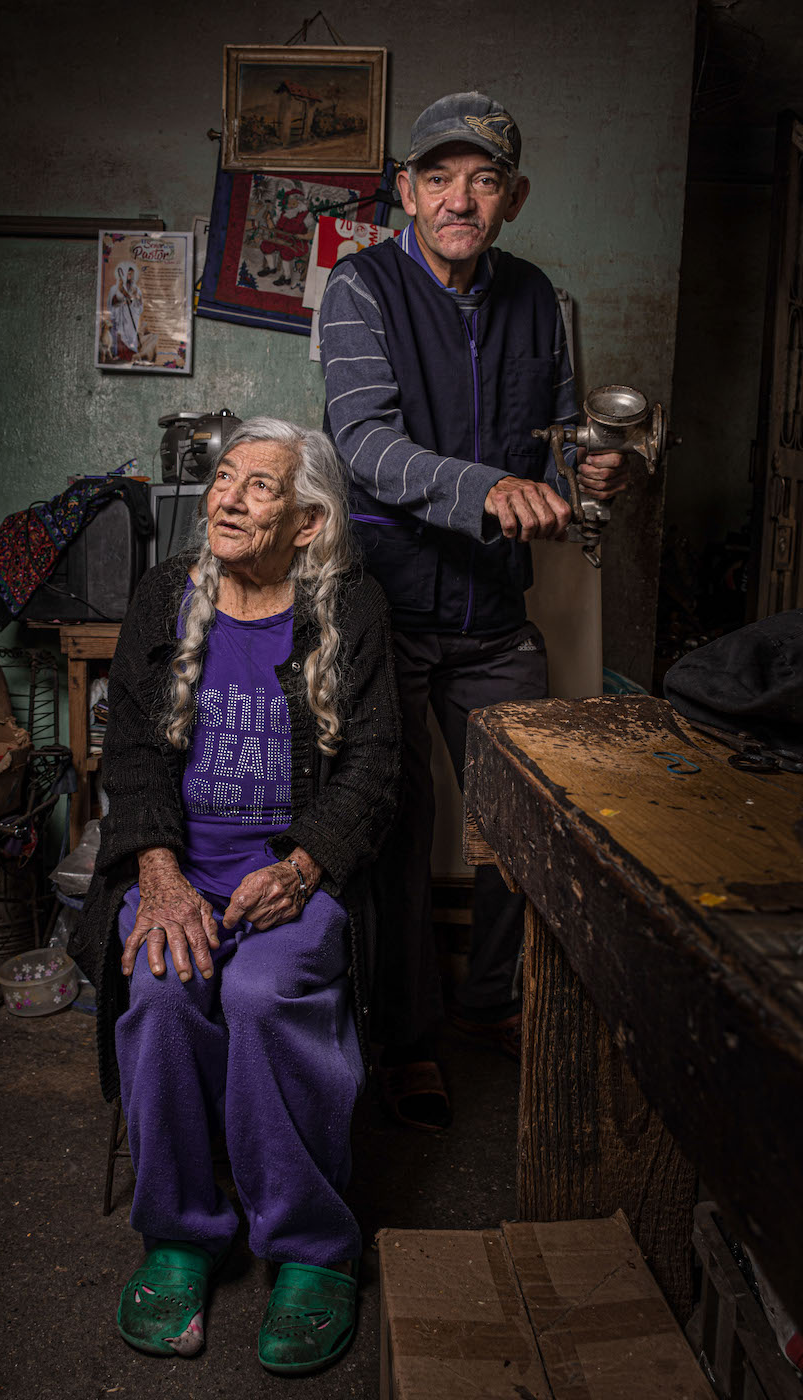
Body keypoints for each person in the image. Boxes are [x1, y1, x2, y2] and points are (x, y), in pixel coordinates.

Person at [317, 91, 628, 1132]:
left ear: (513, 198)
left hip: (495, 613)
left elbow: (559, 444)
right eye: (439, 178)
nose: (460, 199)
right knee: (398, 833)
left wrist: (591, 473)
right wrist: (489, 489)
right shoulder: (359, 286)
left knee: (522, 827)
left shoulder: (539, 299)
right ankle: (407, 1038)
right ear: (406, 191)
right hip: (390, 610)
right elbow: (364, 443)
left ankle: (490, 1000)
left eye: (483, 181)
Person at [69, 417, 400, 1374]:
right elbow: (133, 751)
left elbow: (377, 763)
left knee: (261, 993)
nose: (227, 497)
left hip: (292, 877)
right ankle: (181, 1235)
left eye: (260, 486)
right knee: (162, 992)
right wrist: (157, 872)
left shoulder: (350, 607)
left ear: (307, 523)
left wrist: (304, 866)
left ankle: (312, 1247)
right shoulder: (166, 595)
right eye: (225, 479)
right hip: (180, 871)